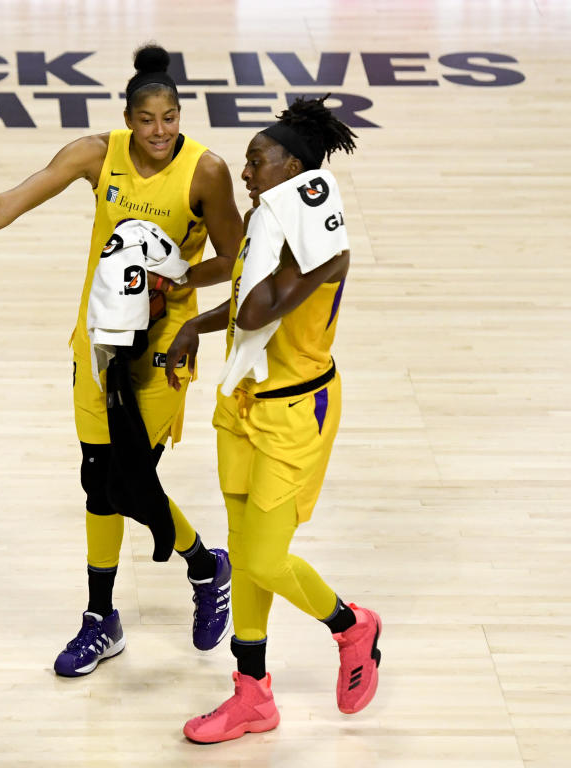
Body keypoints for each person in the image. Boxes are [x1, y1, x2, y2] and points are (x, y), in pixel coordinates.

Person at [0, 44, 244, 677]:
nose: (159, 131)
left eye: (170, 118)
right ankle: (121, 611)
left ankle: (196, 572)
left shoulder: (207, 172)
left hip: (160, 351)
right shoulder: (95, 155)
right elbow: (7, 204)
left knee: (124, 481)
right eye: (146, 120)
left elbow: (233, 257)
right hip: (95, 342)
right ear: (127, 118)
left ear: (181, 115)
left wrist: (177, 280)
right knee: (100, 478)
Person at [163, 96, 382, 743]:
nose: (245, 173)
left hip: (296, 412)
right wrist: (195, 325)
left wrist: (269, 232)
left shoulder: (317, 250)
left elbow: (258, 311)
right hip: (244, 403)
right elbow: (238, 305)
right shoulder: (274, 224)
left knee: (262, 558)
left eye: (257, 162)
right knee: (243, 542)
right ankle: (252, 694)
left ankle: (351, 626)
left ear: (293, 167)